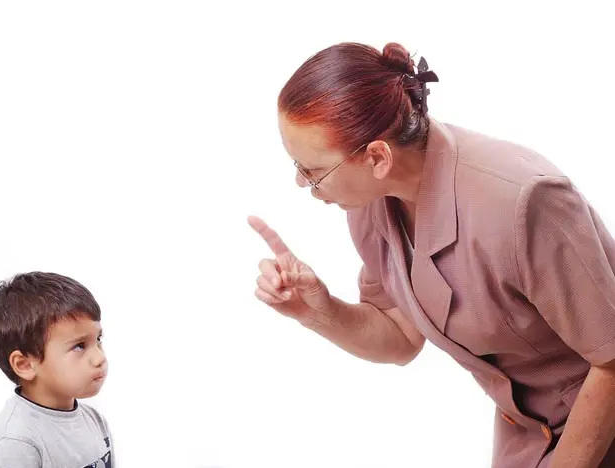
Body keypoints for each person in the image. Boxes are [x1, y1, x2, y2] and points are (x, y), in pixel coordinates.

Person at [248, 41, 615, 468]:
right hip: (530, 436)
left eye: (312, 172)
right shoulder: (372, 205)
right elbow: (400, 338)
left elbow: (611, 357)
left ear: (377, 157)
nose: (300, 182)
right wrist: (316, 310)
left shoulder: (523, 202)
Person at [0, 272, 114, 468]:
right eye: (79, 346)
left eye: (98, 339)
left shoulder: (94, 420)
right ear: (25, 364)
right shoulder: (15, 445)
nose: (99, 357)